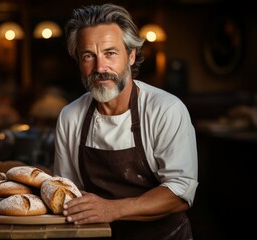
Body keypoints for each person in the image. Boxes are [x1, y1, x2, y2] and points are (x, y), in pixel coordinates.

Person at [53, 3, 198, 240]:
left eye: (110, 53)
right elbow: (68, 192)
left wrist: (113, 209)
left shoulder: (166, 109)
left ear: (131, 56)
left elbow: (180, 193)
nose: (100, 67)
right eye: (88, 56)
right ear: (78, 61)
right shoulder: (70, 117)